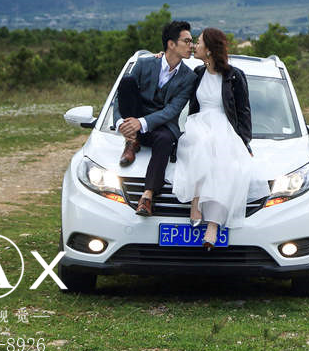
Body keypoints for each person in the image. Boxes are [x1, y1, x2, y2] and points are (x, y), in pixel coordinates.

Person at [171, 27, 266, 249]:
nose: (195, 45)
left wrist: (244, 143)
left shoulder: (234, 76)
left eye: (199, 42)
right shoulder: (196, 73)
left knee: (226, 165)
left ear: (210, 50)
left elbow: (244, 112)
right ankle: (196, 199)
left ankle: (212, 225)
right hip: (198, 125)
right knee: (202, 144)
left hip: (224, 128)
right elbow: (171, 74)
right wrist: (159, 58)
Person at [113, 20, 198, 216]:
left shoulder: (188, 77)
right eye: (187, 41)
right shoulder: (144, 64)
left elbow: (173, 110)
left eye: (192, 42)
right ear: (171, 44)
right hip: (133, 120)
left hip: (160, 126)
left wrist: (141, 123)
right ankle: (130, 141)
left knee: (166, 139)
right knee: (127, 82)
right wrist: (121, 123)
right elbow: (121, 98)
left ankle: (147, 197)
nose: (191, 46)